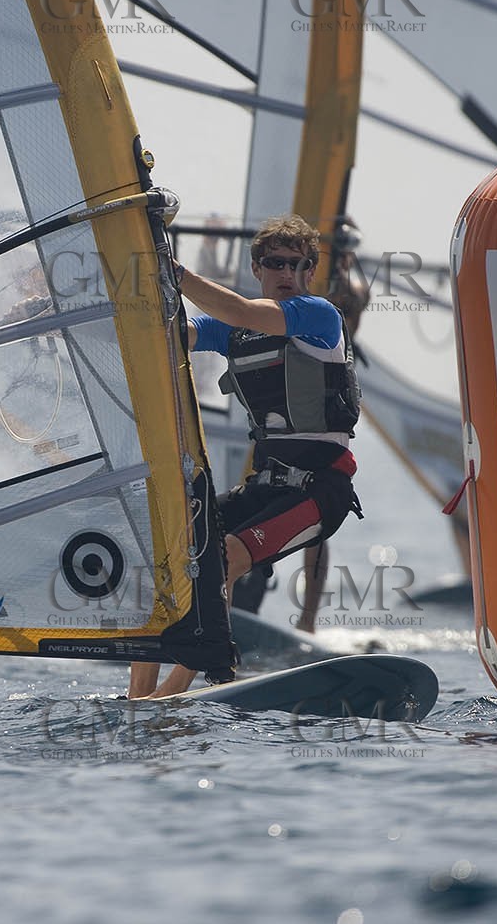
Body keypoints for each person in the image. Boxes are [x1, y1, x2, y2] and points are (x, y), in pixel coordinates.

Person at [128, 214, 363, 699]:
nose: (286, 273)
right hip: (266, 486)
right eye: (275, 263)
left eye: (298, 265)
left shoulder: (318, 316)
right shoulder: (235, 331)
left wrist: (179, 274)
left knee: (226, 557)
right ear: (258, 268)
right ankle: (139, 693)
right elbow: (166, 334)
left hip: (320, 491)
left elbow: (239, 311)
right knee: (170, 556)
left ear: (308, 273)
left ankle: (178, 690)